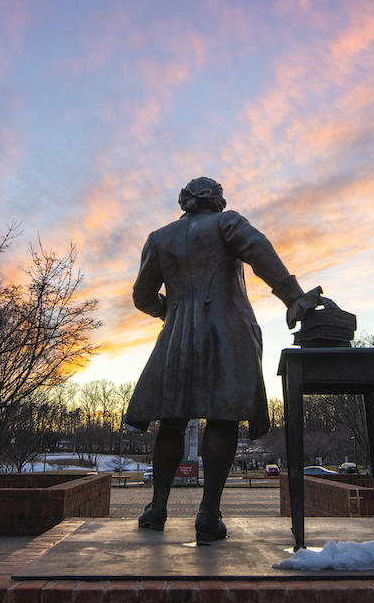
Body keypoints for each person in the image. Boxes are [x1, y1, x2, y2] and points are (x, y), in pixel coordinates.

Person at [124, 177, 322, 543]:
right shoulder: (226, 222)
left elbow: (141, 296)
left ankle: (156, 509)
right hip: (226, 331)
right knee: (222, 417)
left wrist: (169, 310)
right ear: (216, 200)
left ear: (185, 202)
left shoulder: (159, 237)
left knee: (171, 422)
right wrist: (293, 296)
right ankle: (208, 514)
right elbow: (259, 251)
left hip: (177, 334)